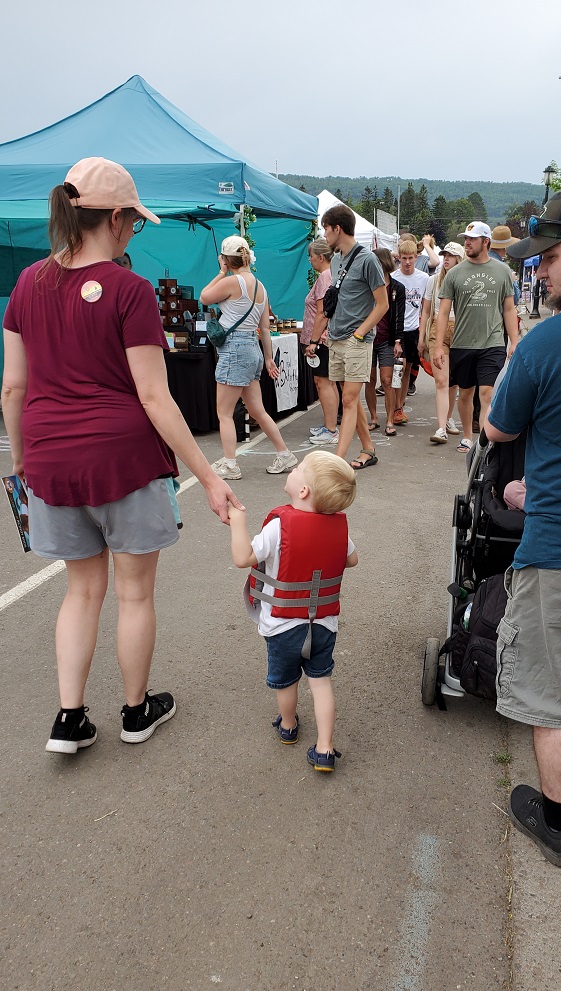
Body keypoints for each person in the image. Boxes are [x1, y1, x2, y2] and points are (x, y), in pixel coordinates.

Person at [1, 156, 242, 755]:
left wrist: (24, 460)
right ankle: (136, 712)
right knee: (134, 593)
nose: (134, 230)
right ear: (113, 219)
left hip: (51, 461)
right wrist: (209, 478)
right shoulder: (129, 290)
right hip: (123, 459)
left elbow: (13, 387)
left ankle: (69, 719)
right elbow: (155, 396)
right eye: (132, 222)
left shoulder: (27, 284)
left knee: (80, 592)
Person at [484, 178, 561, 868]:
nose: (541, 270)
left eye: (551, 257)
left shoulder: (550, 341)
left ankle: (559, 824)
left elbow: (499, 427)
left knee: (555, 699)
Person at [228, 451, 358, 772]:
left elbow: (243, 557)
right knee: (321, 682)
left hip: (282, 627)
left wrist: (238, 521)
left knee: (287, 683)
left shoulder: (279, 526)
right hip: (323, 626)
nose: (294, 469)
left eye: (298, 468)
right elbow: (351, 559)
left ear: (303, 491)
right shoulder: (338, 527)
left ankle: (288, 726)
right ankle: (325, 748)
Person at [200, 236, 298, 480]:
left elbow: (204, 297)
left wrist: (221, 272)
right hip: (252, 348)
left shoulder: (232, 281)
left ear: (227, 259)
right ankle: (284, 453)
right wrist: (268, 359)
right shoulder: (260, 287)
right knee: (258, 410)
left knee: (224, 412)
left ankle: (230, 463)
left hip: (234, 350)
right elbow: (264, 328)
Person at [314, 204, 387, 470]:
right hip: (335, 338)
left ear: (338, 228)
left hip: (356, 341)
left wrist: (359, 333)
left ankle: (336, 462)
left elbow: (382, 304)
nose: (324, 235)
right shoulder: (335, 260)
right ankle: (368, 448)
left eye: (326, 229)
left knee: (348, 400)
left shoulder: (368, 259)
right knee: (350, 399)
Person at [434, 221, 519, 452]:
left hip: (492, 342)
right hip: (463, 342)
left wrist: (515, 341)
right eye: (466, 239)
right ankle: (467, 435)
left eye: (472, 238)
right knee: (466, 393)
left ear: (486, 241)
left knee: (487, 393)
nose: (467, 242)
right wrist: (439, 347)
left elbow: (509, 309)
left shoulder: (502, 272)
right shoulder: (454, 274)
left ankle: (483, 443)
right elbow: (443, 312)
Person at [418, 242, 464, 444]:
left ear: (460, 259)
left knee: (453, 380)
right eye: (445, 255)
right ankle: (440, 427)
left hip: (461, 328)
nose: (446, 259)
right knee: (441, 381)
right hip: (438, 327)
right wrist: (421, 337)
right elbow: (426, 311)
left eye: (452, 256)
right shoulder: (434, 280)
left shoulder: (465, 281)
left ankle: (448, 418)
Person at [299, 237, 340, 445]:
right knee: (327, 382)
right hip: (324, 338)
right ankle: (329, 425)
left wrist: (313, 341)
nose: (310, 260)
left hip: (321, 339)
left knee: (323, 382)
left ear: (321, 257)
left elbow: (323, 312)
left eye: (311, 256)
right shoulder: (329, 274)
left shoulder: (325, 276)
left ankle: (331, 429)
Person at [364, 248, 405, 436]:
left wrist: (398, 341)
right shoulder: (368, 286)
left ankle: (389, 420)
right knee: (370, 380)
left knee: (387, 381)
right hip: (368, 338)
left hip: (387, 341)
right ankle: (373, 417)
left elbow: (399, 318)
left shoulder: (397, 288)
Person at [390, 240, 429, 424]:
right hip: (397, 329)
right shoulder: (393, 277)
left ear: (416, 257)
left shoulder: (423, 278)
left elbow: (426, 308)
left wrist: (424, 335)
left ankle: (400, 405)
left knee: (407, 371)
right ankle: (396, 407)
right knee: (399, 367)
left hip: (413, 329)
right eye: (404, 258)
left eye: (410, 258)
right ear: (398, 258)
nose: (407, 262)